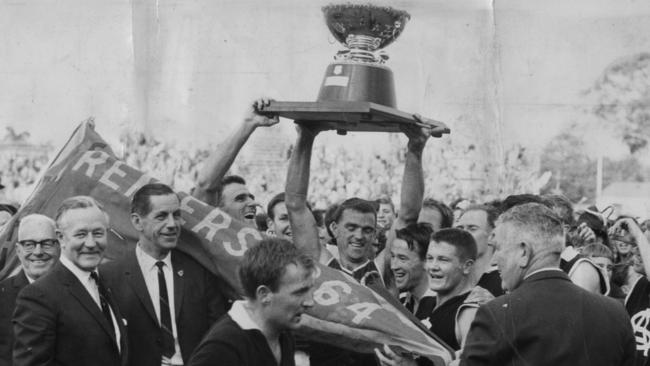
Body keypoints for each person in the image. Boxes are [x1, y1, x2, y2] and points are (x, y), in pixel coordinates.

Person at [459, 203, 635, 366]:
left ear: (524, 252)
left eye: (499, 249)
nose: (495, 259)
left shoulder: (496, 315)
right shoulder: (615, 312)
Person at [101, 183, 228, 366]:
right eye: (161, 216)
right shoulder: (109, 276)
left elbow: (218, 335)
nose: (172, 224)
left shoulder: (199, 272)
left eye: (176, 215)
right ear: (137, 221)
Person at [13, 196, 128, 366]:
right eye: (81, 234)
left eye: (98, 233)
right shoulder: (39, 295)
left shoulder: (106, 282)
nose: (90, 243)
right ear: (60, 238)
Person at [187, 238, 315, 366]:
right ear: (264, 295)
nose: (310, 302)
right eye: (299, 292)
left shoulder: (283, 334)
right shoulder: (222, 348)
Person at [192, 99, 278, 224]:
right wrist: (249, 123)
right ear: (217, 210)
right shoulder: (213, 239)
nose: (253, 203)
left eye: (251, 198)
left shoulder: (265, 241)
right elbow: (206, 184)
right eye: (240, 199)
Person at [0, 214, 60, 366]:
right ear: (18, 250)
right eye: (29, 244)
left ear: (59, 246)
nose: (38, 251)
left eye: (46, 243)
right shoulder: (2, 295)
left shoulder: (80, 293)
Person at [615, 217, 650, 366]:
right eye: (636, 244)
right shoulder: (640, 284)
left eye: (645, 245)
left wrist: (637, 232)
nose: (636, 250)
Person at [454, 205, 504, 297]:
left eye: (472, 228)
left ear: (492, 235)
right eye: (460, 228)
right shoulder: (453, 281)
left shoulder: (504, 282)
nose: (463, 234)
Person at [391, 223, 436, 319]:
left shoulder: (442, 306)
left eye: (402, 258)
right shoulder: (402, 302)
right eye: (393, 256)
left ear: (426, 261)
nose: (393, 266)